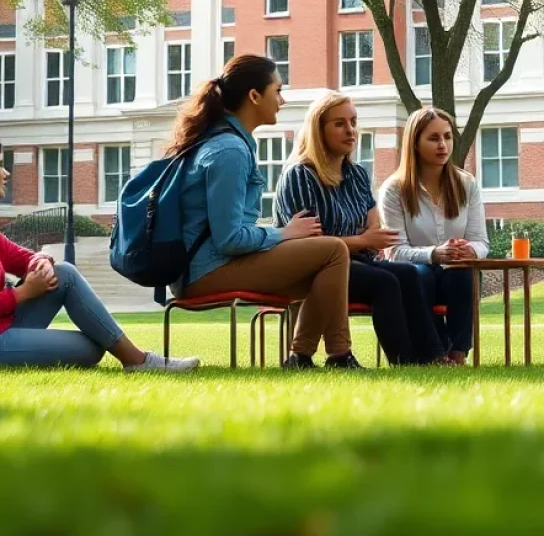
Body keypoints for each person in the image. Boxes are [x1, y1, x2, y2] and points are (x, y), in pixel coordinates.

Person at [174, 54, 361, 369]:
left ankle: (300, 358)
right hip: (205, 272)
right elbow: (229, 238)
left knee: (323, 265)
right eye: (277, 90)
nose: (282, 100)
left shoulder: (231, 143)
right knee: (333, 250)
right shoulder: (229, 151)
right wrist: (283, 234)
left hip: (212, 265)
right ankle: (339, 356)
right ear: (254, 96)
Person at [273, 93, 448, 365]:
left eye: (353, 122)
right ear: (319, 130)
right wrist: (363, 239)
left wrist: (368, 238)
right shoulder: (300, 174)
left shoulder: (357, 174)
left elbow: (372, 222)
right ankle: (405, 361)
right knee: (384, 282)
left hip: (357, 260)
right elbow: (311, 243)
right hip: (313, 268)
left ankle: (434, 356)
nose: (350, 130)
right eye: (339, 124)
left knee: (408, 273)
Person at [0, 146, 198, 371]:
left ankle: (135, 359)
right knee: (90, 350)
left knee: (64, 273)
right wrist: (23, 293)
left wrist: (41, 261)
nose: (6, 173)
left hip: (7, 324)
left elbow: (24, 257)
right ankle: (138, 361)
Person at [379, 108, 488, 365]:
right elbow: (394, 252)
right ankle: (432, 354)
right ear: (414, 143)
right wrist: (434, 253)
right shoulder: (394, 190)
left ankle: (457, 355)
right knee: (420, 273)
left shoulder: (466, 184)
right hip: (416, 272)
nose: (443, 145)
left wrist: (468, 251)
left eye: (448, 137)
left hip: (453, 271)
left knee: (463, 273)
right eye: (433, 138)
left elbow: (481, 242)